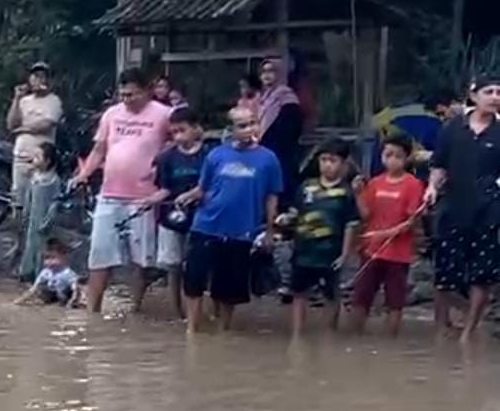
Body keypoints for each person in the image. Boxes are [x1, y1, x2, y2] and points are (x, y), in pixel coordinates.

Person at [71, 68, 172, 313]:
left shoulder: (165, 115)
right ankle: (92, 312)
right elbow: (99, 150)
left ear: (147, 90)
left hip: (144, 197)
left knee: (141, 259)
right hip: (109, 194)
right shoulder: (111, 114)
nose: (126, 100)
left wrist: (162, 175)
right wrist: (83, 174)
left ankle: (135, 310)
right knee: (100, 255)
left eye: (132, 95)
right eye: (123, 95)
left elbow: (176, 146)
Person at [177, 106, 282, 332]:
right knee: (194, 280)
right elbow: (203, 189)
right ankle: (192, 330)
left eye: (253, 123)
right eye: (242, 126)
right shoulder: (216, 155)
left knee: (229, 288)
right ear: (231, 129)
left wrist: (270, 231)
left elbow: (272, 196)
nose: (249, 129)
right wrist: (186, 196)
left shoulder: (268, 159)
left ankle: (224, 329)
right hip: (206, 226)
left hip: (242, 231)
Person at [426, 76, 500, 341]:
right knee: (445, 271)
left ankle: (468, 332)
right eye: (488, 91)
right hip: (453, 206)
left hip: (489, 209)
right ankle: (441, 327)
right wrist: (432, 187)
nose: (495, 97)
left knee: (483, 274)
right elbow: (438, 164)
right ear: (473, 95)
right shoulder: (452, 128)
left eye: (499, 92)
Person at [348, 133, 425, 336]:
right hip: (371, 251)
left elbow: (411, 221)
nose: (391, 160)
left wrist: (385, 234)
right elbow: (366, 214)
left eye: (397, 156)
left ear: (406, 158)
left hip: (398, 254)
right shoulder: (374, 183)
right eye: (387, 154)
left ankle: (390, 341)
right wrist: (357, 194)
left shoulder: (413, 184)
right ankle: (353, 338)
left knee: (395, 302)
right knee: (360, 298)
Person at [282, 137, 359, 335]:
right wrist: (285, 219)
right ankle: (297, 335)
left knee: (331, 297)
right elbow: (294, 211)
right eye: (323, 160)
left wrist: (345, 254)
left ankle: (328, 336)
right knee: (299, 294)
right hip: (303, 252)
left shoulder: (347, 193)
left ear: (343, 164)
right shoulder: (307, 186)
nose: (327, 165)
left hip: (330, 254)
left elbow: (351, 224)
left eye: (332, 161)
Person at [148, 106, 208, 320]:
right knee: (173, 267)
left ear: (196, 128)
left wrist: (194, 195)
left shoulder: (210, 155)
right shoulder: (167, 158)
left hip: (203, 220)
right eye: (173, 132)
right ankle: (178, 313)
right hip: (172, 220)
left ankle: (198, 313)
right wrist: (148, 201)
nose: (178, 136)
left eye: (182, 130)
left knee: (197, 267)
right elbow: (164, 189)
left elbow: (213, 186)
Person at [7, 61, 63, 210]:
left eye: (41, 77)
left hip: (41, 160)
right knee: (19, 199)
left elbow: (45, 125)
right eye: (34, 76)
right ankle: (21, 228)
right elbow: (11, 124)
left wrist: (22, 129)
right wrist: (17, 98)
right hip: (21, 157)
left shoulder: (53, 101)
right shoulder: (24, 101)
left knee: (39, 200)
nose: (37, 80)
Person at [257, 57, 304, 209]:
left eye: (271, 71)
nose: (267, 75)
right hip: (265, 151)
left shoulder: (287, 97)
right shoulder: (264, 99)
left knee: (282, 189)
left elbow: (292, 128)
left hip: (282, 154)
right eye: (263, 72)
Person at [18, 142, 63, 282]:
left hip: (43, 220)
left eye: (38, 157)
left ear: (48, 161)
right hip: (32, 218)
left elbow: (56, 203)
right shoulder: (34, 177)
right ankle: (26, 272)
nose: (34, 159)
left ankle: (41, 277)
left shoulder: (54, 180)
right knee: (29, 244)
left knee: (42, 248)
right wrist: (25, 212)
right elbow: (29, 198)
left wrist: (49, 220)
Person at [16, 237, 81, 307]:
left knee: (63, 296)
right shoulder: (45, 272)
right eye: (46, 258)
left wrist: (72, 301)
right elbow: (34, 288)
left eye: (53, 258)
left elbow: (76, 290)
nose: (49, 262)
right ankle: (39, 302)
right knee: (41, 290)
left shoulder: (68, 274)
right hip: (48, 295)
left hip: (61, 297)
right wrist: (22, 298)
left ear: (64, 256)